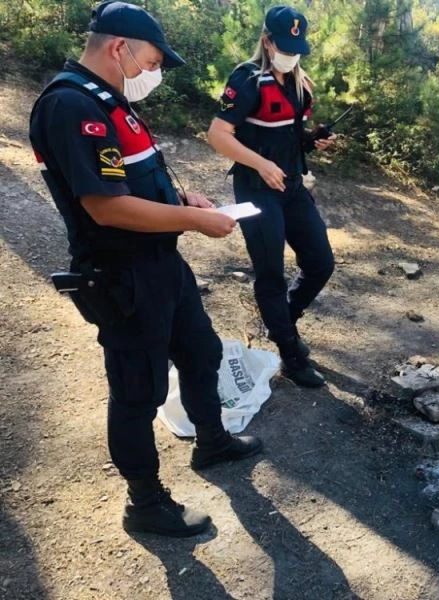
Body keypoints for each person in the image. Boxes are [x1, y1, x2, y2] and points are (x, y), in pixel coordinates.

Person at [29, 1, 262, 538]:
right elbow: (105, 206)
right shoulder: (69, 105)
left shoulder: (110, 101)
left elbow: (133, 178)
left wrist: (185, 199)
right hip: (122, 273)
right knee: (139, 391)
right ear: (119, 48)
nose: (149, 74)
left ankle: (212, 441)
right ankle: (146, 503)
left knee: (201, 352)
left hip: (160, 262)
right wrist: (194, 222)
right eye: (149, 62)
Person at [207, 5, 336, 388]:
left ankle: (283, 323)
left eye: (297, 48)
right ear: (267, 41)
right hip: (256, 189)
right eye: (285, 47)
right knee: (270, 272)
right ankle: (289, 354)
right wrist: (261, 164)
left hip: (292, 185)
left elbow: (288, 136)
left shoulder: (300, 82)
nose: (291, 55)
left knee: (320, 262)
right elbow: (217, 135)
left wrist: (314, 141)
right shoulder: (247, 79)